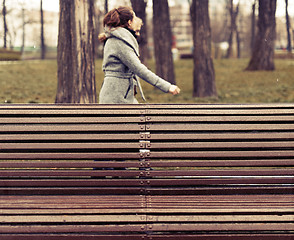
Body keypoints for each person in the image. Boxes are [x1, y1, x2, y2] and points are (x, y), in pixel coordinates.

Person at [98, 6, 180, 104]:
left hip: (119, 94)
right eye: (135, 17)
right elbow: (139, 69)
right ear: (129, 22)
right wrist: (167, 87)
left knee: (141, 116)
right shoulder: (119, 43)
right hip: (116, 97)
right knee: (141, 117)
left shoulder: (118, 40)